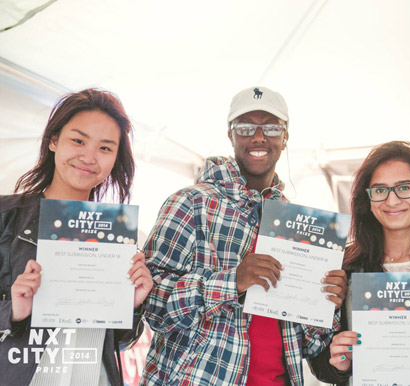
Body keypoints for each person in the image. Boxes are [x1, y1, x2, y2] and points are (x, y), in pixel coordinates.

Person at [141, 86, 347, 386]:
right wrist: (232, 282)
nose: (259, 137)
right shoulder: (190, 203)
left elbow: (307, 345)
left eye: (272, 127)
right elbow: (153, 304)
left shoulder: (297, 222)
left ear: (285, 136)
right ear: (230, 135)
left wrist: (328, 303)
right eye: (246, 126)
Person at [0, 88, 153, 386]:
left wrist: (130, 306)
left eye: (105, 148)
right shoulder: (6, 216)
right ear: (54, 141)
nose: (88, 157)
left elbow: (119, 343)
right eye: (78, 140)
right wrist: (13, 310)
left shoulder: (116, 235)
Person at [308, 141, 410, 385]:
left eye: (404, 187)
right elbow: (319, 363)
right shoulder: (343, 267)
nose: (392, 201)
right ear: (369, 201)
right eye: (380, 190)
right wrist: (339, 364)